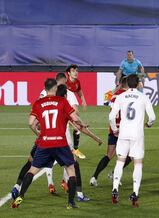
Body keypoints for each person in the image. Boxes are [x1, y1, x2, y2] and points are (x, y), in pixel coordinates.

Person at [11, 78, 87, 209]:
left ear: (45, 89)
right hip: (60, 143)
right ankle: (71, 203)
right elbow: (74, 117)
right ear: (56, 88)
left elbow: (31, 123)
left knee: (32, 170)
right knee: (71, 169)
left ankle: (20, 197)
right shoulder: (62, 101)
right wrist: (82, 123)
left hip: (45, 143)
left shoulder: (39, 103)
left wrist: (40, 134)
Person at [109, 74, 156, 207]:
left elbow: (111, 116)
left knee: (120, 161)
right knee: (138, 164)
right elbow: (152, 117)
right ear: (138, 83)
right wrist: (149, 124)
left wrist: (115, 130)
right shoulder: (143, 97)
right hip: (137, 135)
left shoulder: (121, 96)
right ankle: (135, 193)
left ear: (127, 84)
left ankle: (115, 189)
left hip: (123, 133)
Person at [90, 77, 132, 186]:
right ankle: (114, 174)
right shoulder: (128, 96)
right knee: (130, 155)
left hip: (113, 130)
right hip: (124, 130)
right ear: (127, 84)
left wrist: (114, 129)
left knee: (109, 155)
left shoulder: (113, 96)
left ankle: (94, 177)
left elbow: (106, 102)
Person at [65, 64, 87, 159]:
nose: (76, 72)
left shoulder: (77, 82)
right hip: (64, 107)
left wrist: (83, 100)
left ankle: (75, 149)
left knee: (77, 129)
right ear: (68, 73)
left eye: (76, 70)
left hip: (71, 107)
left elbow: (80, 93)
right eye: (73, 71)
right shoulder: (64, 82)